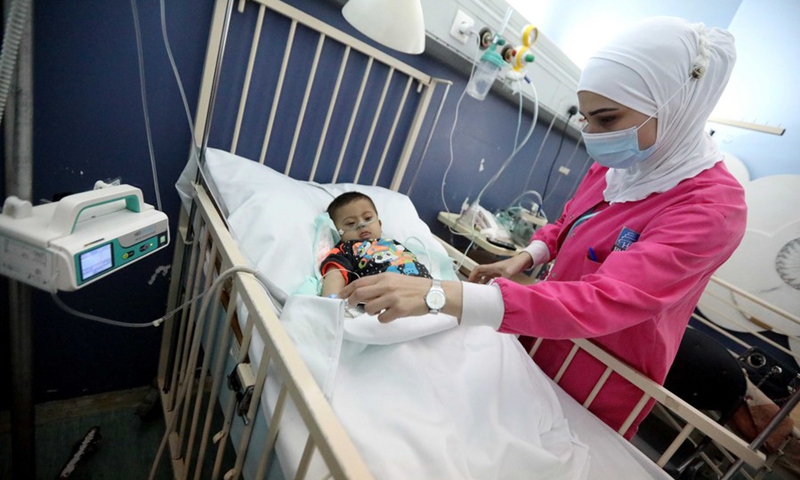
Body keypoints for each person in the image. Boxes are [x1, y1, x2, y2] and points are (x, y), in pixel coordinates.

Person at [339, 16, 746, 438]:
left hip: (598, 372)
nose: (592, 135)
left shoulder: (713, 207)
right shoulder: (624, 163)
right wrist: (523, 257)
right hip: (539, 332)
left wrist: (442, 295)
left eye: (605, 119)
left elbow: (606, 299)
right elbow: (570, 223)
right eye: (586, 119)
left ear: (676, 105)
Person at [320, 191, 431, 298]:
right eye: (350, 223)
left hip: (426, 289)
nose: (361, 225)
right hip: (389, 294)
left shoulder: (392, 243)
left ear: (379, 224)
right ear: (337, 232)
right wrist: (331, 301)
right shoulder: (347, 249)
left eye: (368, 218)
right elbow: (336, 274)